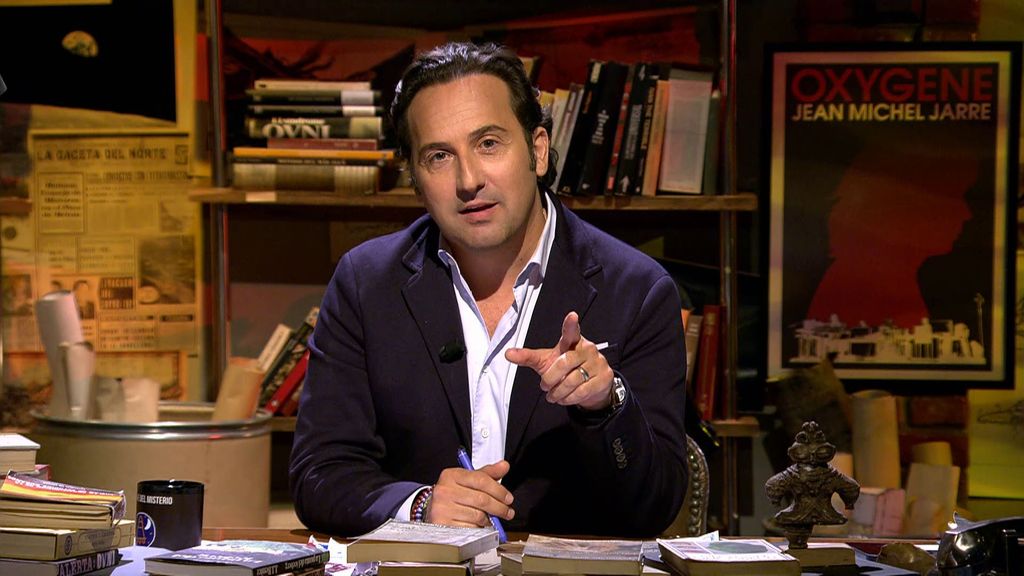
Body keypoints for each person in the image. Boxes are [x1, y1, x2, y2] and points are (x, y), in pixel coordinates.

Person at [289, 42, 688, 538]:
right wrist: (419, 506)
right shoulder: (365, 284)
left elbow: (656, 506)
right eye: (439, 156)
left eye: (489, 144)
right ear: (415, 177)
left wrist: (606, 405)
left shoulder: (638, 291)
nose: (469, 180)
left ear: (537, 151)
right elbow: (319, 474)